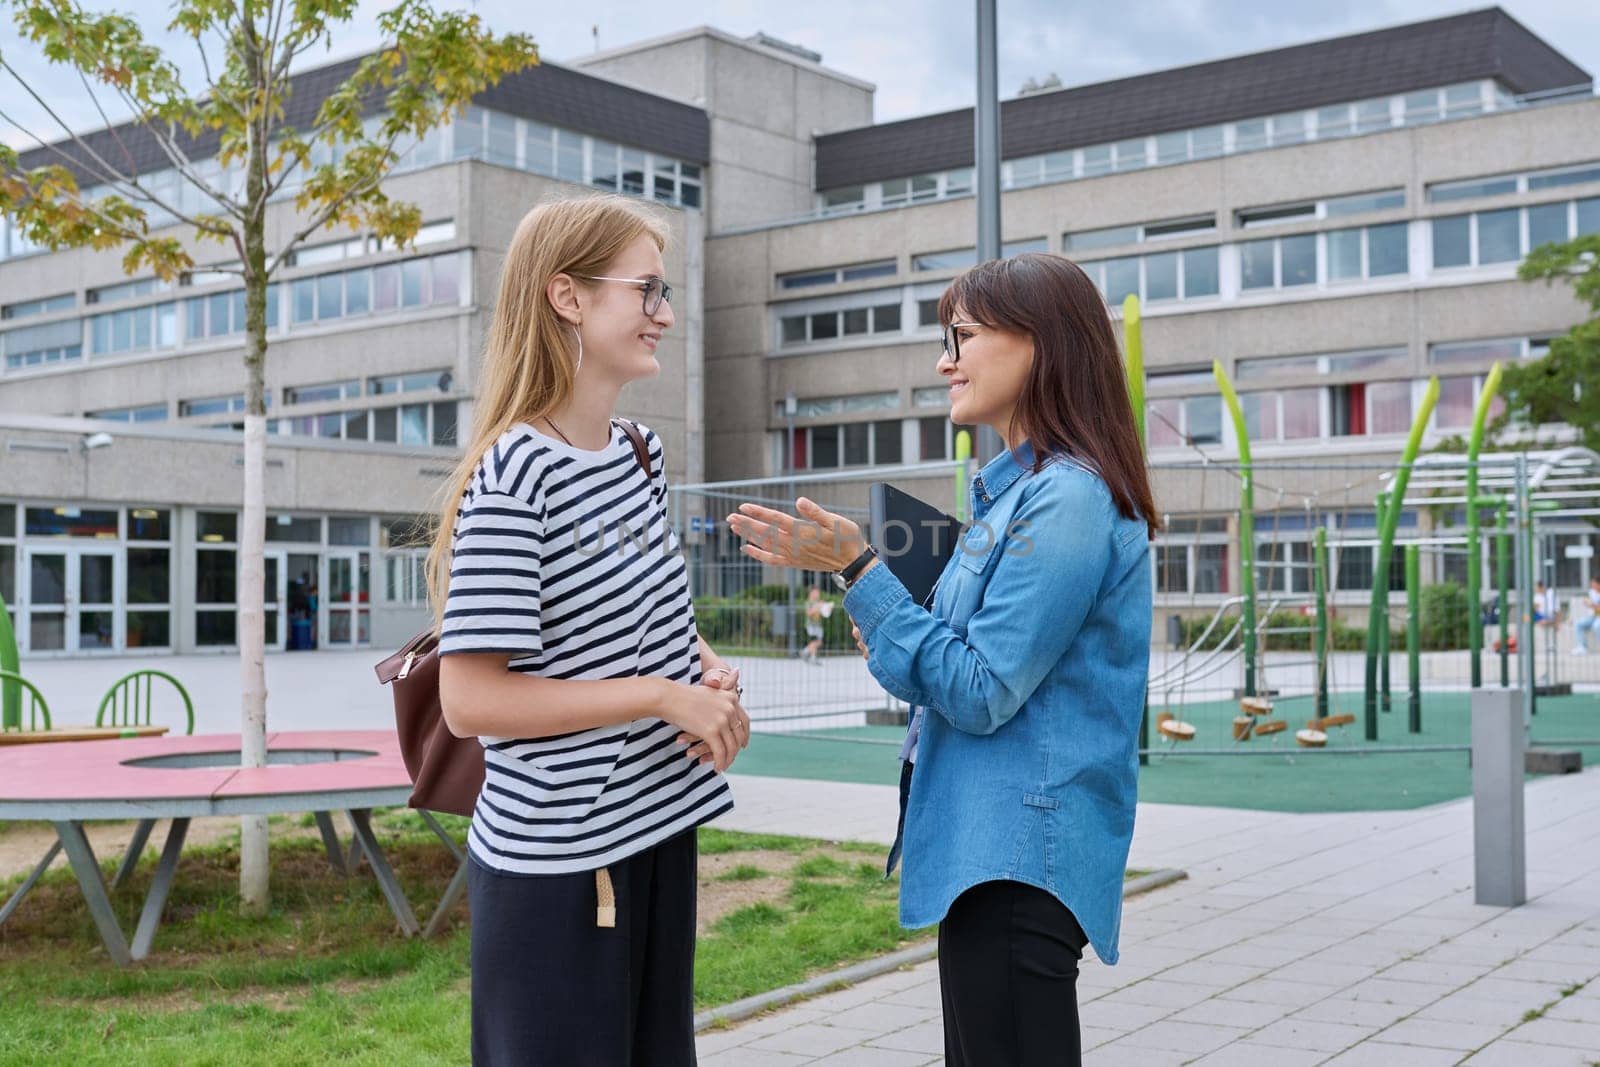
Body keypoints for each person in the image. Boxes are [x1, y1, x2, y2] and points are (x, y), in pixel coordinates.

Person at [727, 253, 1156, 1066]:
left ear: (1040, 343)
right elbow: (953, 657)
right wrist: (881, 605)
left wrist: (861, 572)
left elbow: (982, 686)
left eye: (962, 335)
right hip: (989, 856)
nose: (944, 359)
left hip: (1018, 865)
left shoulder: (1065, 497)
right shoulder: (1016, 493)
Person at [430, 195, 749, 1067]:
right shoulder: (515, 475)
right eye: (647, 290)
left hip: (654, 832)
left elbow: (660, 628)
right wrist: (657, 696)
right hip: (561, 869)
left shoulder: (640, 452)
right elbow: (469, 699)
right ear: (566, 297)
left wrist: (708, 683)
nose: (668, 314)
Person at [1575, 576, 1600, 654]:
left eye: (1594, 584)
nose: (1592, 585)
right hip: (1593, 616)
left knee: (1597, 626)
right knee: (1578, 624)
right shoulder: (1592, 592)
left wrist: (1591, 605)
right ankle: (1582, 647)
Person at [801, 585, 826, 664]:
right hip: (811, 626)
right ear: (811, 593)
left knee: (819, 642)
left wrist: (825, 607)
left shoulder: (818, 602)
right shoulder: (809, 602)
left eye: (818, 592)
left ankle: (805, 651)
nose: (818, 594)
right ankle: (813, 657)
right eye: (816, 592)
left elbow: (822, 613)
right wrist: (818, 607)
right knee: (814, 641)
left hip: (818, 625)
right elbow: (809, 613)